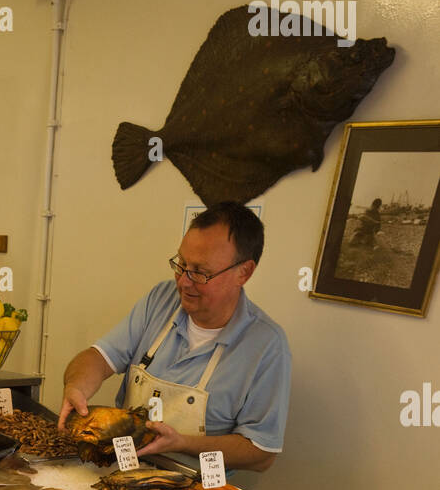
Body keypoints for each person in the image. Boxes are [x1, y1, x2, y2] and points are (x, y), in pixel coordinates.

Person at [58, 202, 290, 472]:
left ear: (244, 272)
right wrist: (76, 386)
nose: (183, 282)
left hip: (194, 488)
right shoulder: (161, 299)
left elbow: (261, 453)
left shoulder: (267, 346)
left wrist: (182, 444)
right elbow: (99, 357)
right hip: (122, 468)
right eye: (181, 264)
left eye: (201, 272)